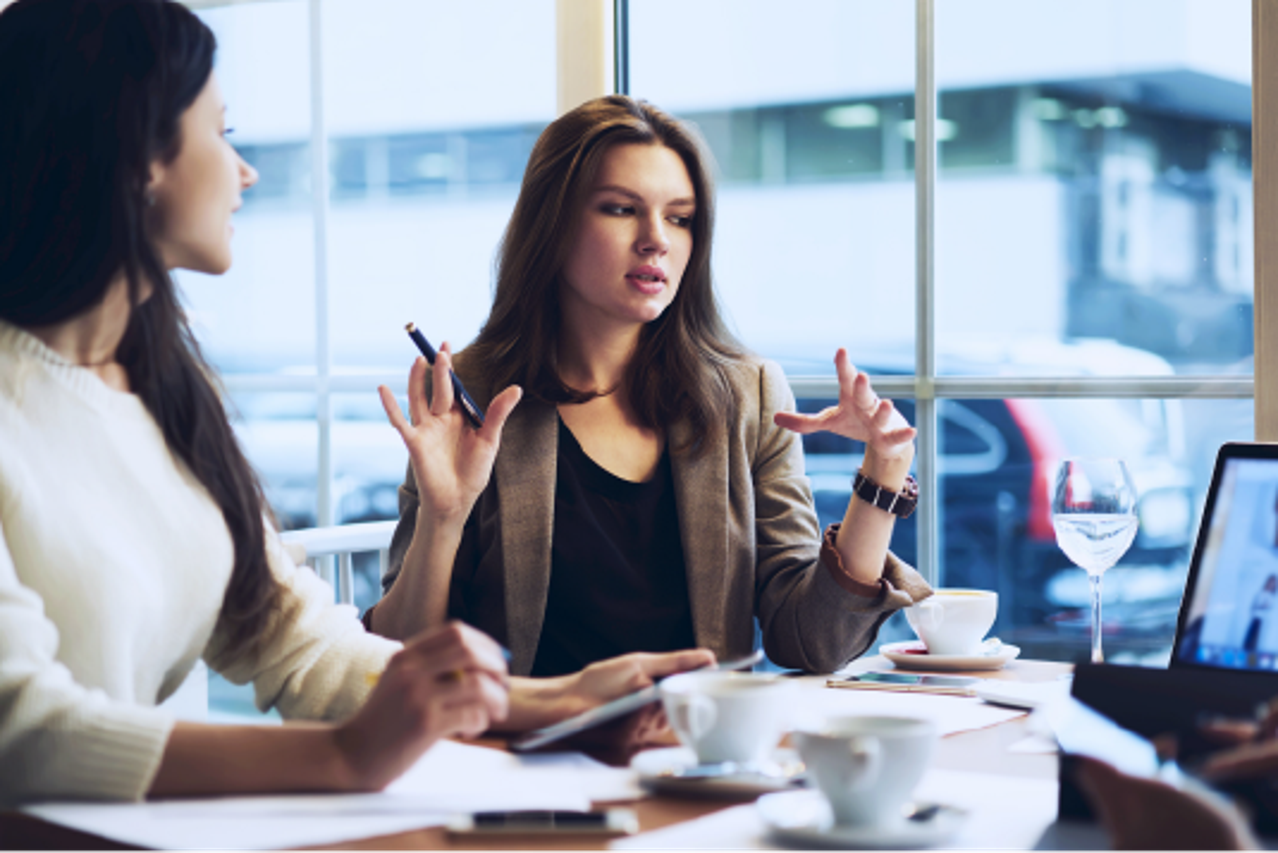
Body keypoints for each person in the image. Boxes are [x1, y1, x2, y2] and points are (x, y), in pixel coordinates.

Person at [0, 0, 712, 805]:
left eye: (680, 217)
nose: (245, 171)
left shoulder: (168, 391)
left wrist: (557, 699)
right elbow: (21, 729)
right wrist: (344, 755)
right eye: (222, 134)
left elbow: (296, 643)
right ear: (138, 156)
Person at [364, 95, 932, 677]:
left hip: (698, 731)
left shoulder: (749, 394)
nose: (657, 239)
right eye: (620, 209)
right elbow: (401, 659)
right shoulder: (472, 397)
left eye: (680, 218)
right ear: (551, 224)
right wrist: (443, 517)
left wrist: (882, 478)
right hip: (532, 729)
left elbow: (813, 643)